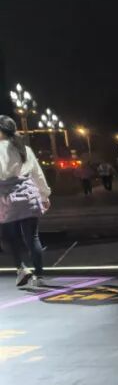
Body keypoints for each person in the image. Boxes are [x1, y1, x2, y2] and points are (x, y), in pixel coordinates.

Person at [0, 115, 51, 288]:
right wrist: (44, 195)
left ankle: (21, 268)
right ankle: (40, 276)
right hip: (29, 196)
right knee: (33, 238)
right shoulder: (24, 148)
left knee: (7, 238)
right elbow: (37, 174)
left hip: (7, 199)